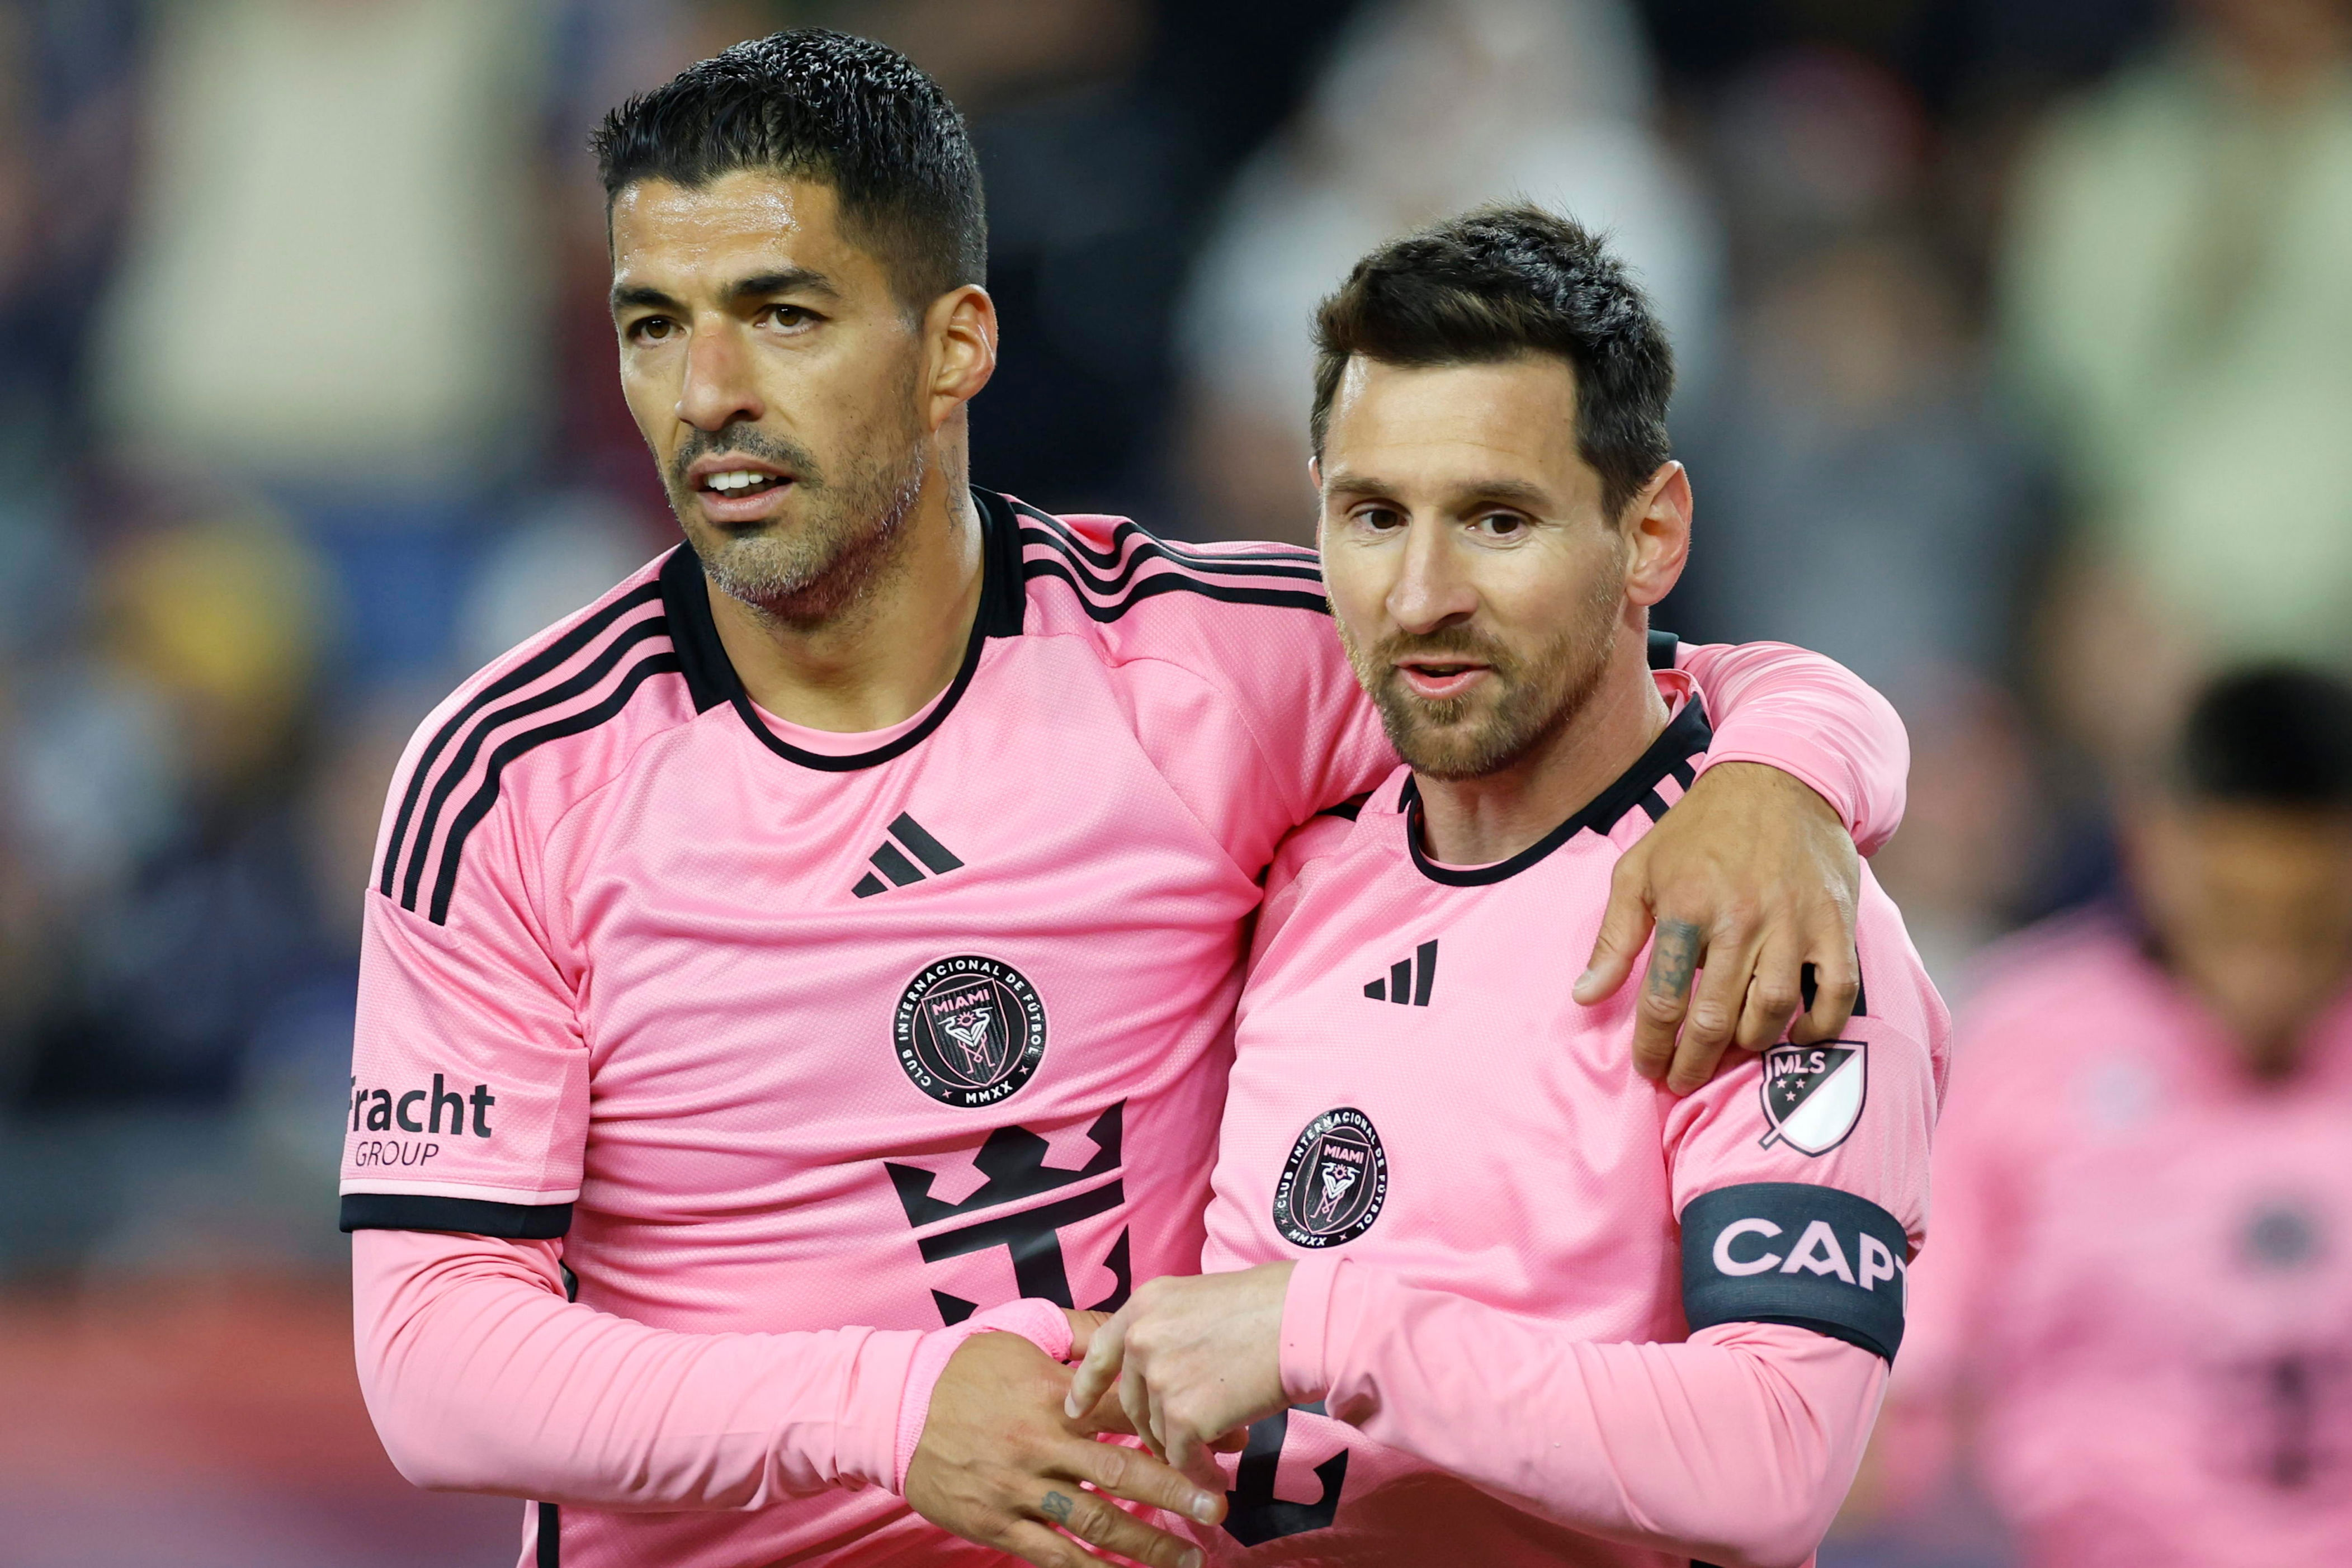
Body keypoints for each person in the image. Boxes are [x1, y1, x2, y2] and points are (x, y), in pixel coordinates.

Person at [341, 33, 1910, 1568]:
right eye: (652, 325)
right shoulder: (513, 780)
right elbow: (431, 1360)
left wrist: (1785, 775)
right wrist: (890, 1410)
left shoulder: (1211, 667)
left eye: (783, 315)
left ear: (955, 344)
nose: (707, 393)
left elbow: (1608, 674)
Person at [1066, 206, 1948, 1567]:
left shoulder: (1763, 913)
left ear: (1650, 534)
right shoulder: (1292, 859)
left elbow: (1774, 1459)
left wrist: (1321, 1328)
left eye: (1497, 519)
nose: (1421, 594)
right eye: (1374, 515)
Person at [1872, 667, 2352, 1567]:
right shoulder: (2014, 1040)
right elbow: (1904, 1389)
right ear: (2151, 843)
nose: (2267, 968)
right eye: (2233, 913)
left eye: (2309, 924)